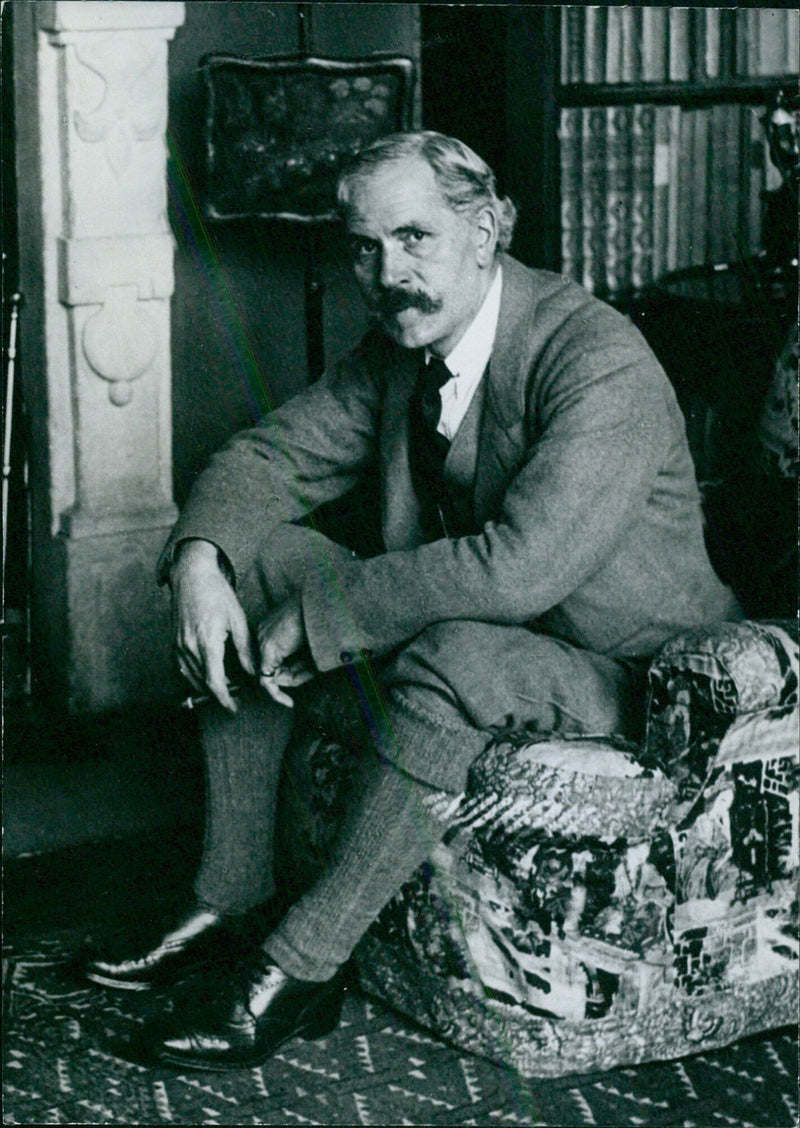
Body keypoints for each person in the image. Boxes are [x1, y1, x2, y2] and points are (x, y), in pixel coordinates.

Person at [80, 131, 741, 1070]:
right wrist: (197, 561)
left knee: (453, 651)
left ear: (487, 229)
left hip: (626, 666)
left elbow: (519, 569)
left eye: (416, 238)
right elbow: (263, 459)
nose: (388, 273)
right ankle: (228, 892)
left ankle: (297, 974)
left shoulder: (597, 358)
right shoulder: (402, 342)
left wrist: (324, 619)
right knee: (259, 557)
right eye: (365, 245)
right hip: (476, 630)